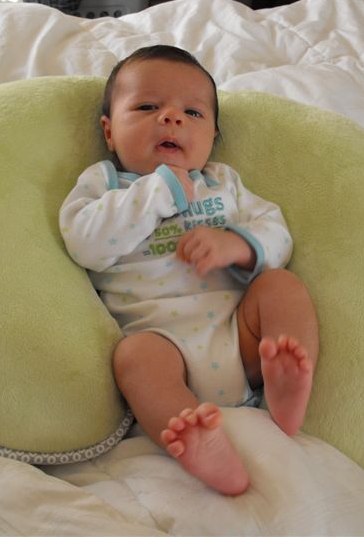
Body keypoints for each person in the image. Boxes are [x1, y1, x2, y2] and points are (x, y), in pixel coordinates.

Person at [60, 45, 318, 496]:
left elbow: (277, 233)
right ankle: (196, 440)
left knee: (282, 286)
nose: (171, 118)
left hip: (241, 336)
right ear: (109, 131)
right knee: (133, 358)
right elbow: (85, 244)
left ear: (213, 135)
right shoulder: (104, 184)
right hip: (164, 346)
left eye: (193, 113)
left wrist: (238, 245)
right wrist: (157, 191)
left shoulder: (222, 182)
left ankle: (286, 384)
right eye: (147, 107)